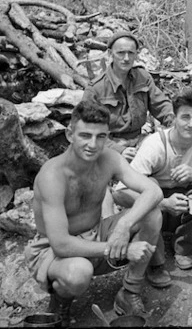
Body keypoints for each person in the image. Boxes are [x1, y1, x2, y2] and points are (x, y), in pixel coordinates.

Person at [24, 101, 163, 327]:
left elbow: (153, 191)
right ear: (70, 134)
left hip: (96, 234)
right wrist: (124, 249)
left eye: (100, 137)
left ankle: (129, 292)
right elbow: (61, 244)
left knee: (151, 214)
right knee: (79, 273)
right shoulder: (52, 176)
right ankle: (61, 302)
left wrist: (123, 225)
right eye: (85, 135)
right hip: (54, 250)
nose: (93, 144)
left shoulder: (108, 159)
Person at [112, 87, 192, 278]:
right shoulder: (155, 144)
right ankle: (154, 256)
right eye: (185, 117)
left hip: (184, 202)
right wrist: (163, 203)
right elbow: (120, 192)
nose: (191, 124)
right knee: (151, 187)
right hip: (157, 206)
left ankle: (183, 242)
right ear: (174, 117)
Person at [82, 32, 174, 162]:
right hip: (108, 145)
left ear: (136, 54)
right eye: (121, 53)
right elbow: (87, 129)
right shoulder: (96, 88)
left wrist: (177, 123)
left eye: (131, 53)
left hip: (140, 140)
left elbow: (162, 106)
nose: (126, 58)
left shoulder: (143, 77)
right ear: (110, 54)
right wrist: (119, 150)